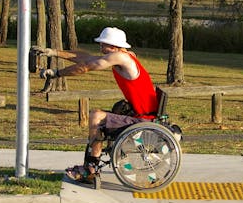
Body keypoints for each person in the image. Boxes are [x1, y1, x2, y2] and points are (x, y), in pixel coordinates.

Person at [36, 27, 158, 183]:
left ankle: (91, 168)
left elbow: (85, 67)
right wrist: (53, 52)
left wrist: (56, 73)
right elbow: (86, 58)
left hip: (143, 118)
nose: (100, 47)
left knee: (96, 116)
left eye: (103, 44)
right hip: (141, 113)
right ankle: (91, 165)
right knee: (98, 115)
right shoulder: (126, 55)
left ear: (113, 46)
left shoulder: (121, 58)